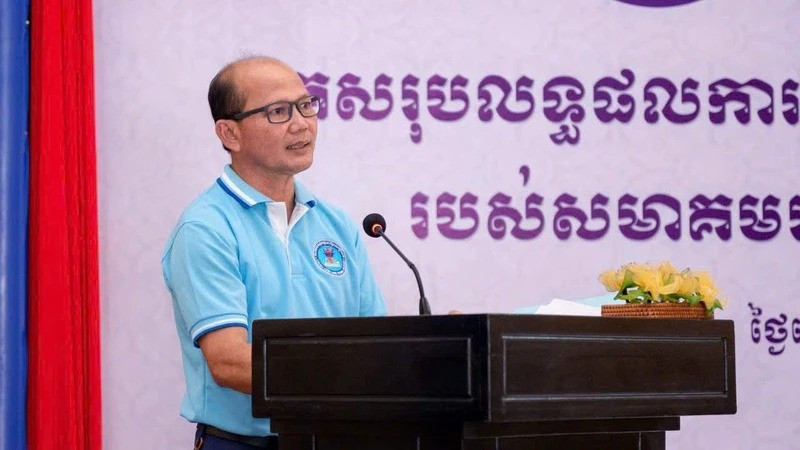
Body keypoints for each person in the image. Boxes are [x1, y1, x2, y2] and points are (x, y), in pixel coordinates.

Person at [161, 56, 387, 449]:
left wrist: (436, 347)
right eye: (278, 112)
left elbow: (376, 339)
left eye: (306, 106)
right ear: (230, 133)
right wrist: (341, 374)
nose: (301, 123)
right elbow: (229, 362)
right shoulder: (207, 227)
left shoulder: (335, 223)